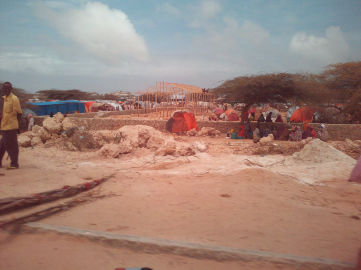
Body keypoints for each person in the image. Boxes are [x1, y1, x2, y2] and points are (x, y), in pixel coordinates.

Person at [0, 82, 22, 169]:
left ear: (10, 89)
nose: (5, 90)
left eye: (7, 88)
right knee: (2, 145)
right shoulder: (4, 99)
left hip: (11, 127)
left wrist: (17, 126)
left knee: (12, 146)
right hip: (4, 127)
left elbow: (19, 113)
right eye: (4, 88)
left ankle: (14, 164)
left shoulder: (14, 99)